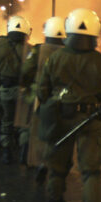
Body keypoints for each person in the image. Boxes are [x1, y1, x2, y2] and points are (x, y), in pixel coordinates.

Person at [38, 8, 101, 202]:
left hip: (60, 119)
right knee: (91, 172)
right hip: (90, 121)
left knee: (57, 168)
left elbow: (43, 91)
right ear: (95, 34)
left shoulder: (55, 58)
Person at [17, 16, 66, 176]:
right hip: (62, 99)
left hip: (40, 97)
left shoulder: (38, 50)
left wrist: (27, 85)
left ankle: (29, 157)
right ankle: (52, 161)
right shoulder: (69, 53)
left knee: (32, 126)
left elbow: (26, 71)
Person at [0, 16, 31, 164]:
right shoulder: (30, 50)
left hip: (5, 90)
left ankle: (7, 152)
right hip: (24, 90)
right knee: (24, 120)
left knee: (7, 120)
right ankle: (24, 152)